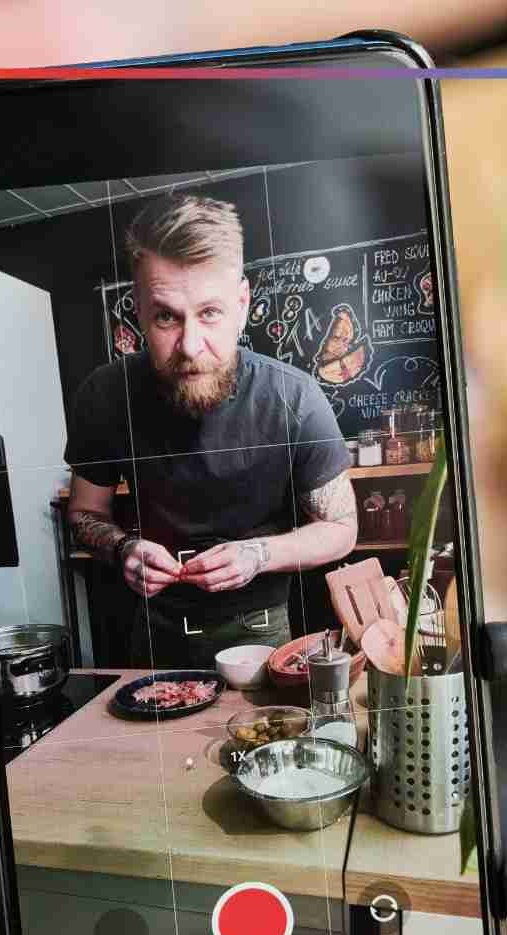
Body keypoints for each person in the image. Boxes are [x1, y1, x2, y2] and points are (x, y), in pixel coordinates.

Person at [64, 195, 358, 669]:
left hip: (263, 633)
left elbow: (342, 529)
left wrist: (259, 554)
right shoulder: (103, 396)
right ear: (137, 309)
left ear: (241, 305)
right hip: (155, 634)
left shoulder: (295, 398)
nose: (190, 346)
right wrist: (123, 548)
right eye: (166, 317)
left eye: (210, 313)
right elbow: (83, 512)